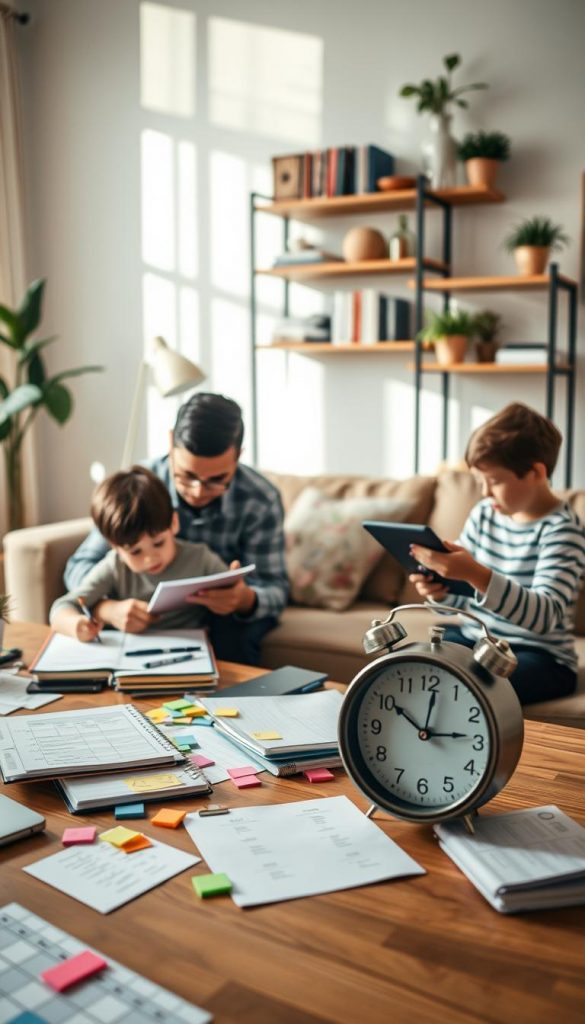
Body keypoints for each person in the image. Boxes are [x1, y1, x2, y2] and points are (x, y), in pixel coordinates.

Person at [64, 393, 288, 664]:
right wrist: (106, 608)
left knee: (237, 636)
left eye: (216, 480)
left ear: (237, 457)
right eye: (187, 476)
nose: (197, 491)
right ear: (171, 443)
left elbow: (275, 587)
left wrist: (244, 599)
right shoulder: (138, 488)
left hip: (225, 617)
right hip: (138, 616)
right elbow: (81, 565)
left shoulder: (260, 500)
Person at [409, 402, 585, 705]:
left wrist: (474, 573)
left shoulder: (562, 530)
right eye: (479, 481)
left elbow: (545, 617)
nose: (485, 492)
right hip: (477, 639)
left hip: (541, 656)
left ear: (536, 472)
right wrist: (440, 592)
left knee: (475, 682)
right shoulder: (484, 515)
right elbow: (463, 600)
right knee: (420, 661)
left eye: (495, 481)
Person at [51, 466, 229, 640]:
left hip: (192, 652)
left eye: (159, 543)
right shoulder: (115, 566)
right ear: (115, 547)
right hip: (127, 657)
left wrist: (234, 588)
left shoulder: (200, 558)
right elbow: (62, 607)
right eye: (135, 552)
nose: (150, 558)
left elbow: (234, 593)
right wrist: (77, 625)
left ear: (174, 523)